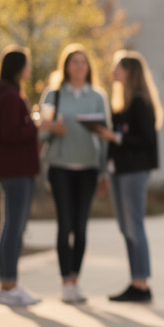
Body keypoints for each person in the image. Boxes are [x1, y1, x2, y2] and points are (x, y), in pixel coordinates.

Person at [39, 44, 111, 304]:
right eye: (74, 62)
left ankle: (76, 279)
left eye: (83, 62)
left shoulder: (98, 96)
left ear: (89, 67)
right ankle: (65, 281)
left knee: (80, 227)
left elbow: (105, 137)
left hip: (89, 169)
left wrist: (104, 172)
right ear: (66, 66)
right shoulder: (53, 95)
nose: (79, 66)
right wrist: (51, 128)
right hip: (60, 167)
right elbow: (41, 131)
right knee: (65, 225)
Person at [94, 51, 163, 303]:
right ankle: (137, 280)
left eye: (117, 68)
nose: (113, 72)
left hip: (134, 172)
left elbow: (145, 139)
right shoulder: (124, 102)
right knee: (126, 228)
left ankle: (141, 284)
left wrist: (115, 137)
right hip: (119, 171)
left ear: (129, 71)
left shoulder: (140, 102)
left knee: (134, 226)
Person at [0, 47, 50, 307]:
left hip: (14, 169)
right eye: (28, 65)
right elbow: (11, 134)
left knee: (12, 226)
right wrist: (37, 126)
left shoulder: (6, 95)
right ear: (18, 68)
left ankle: (9, 284)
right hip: (16, 170)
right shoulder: (10, 97)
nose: (31, 69)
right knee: (14, 227)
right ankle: (8, 286)